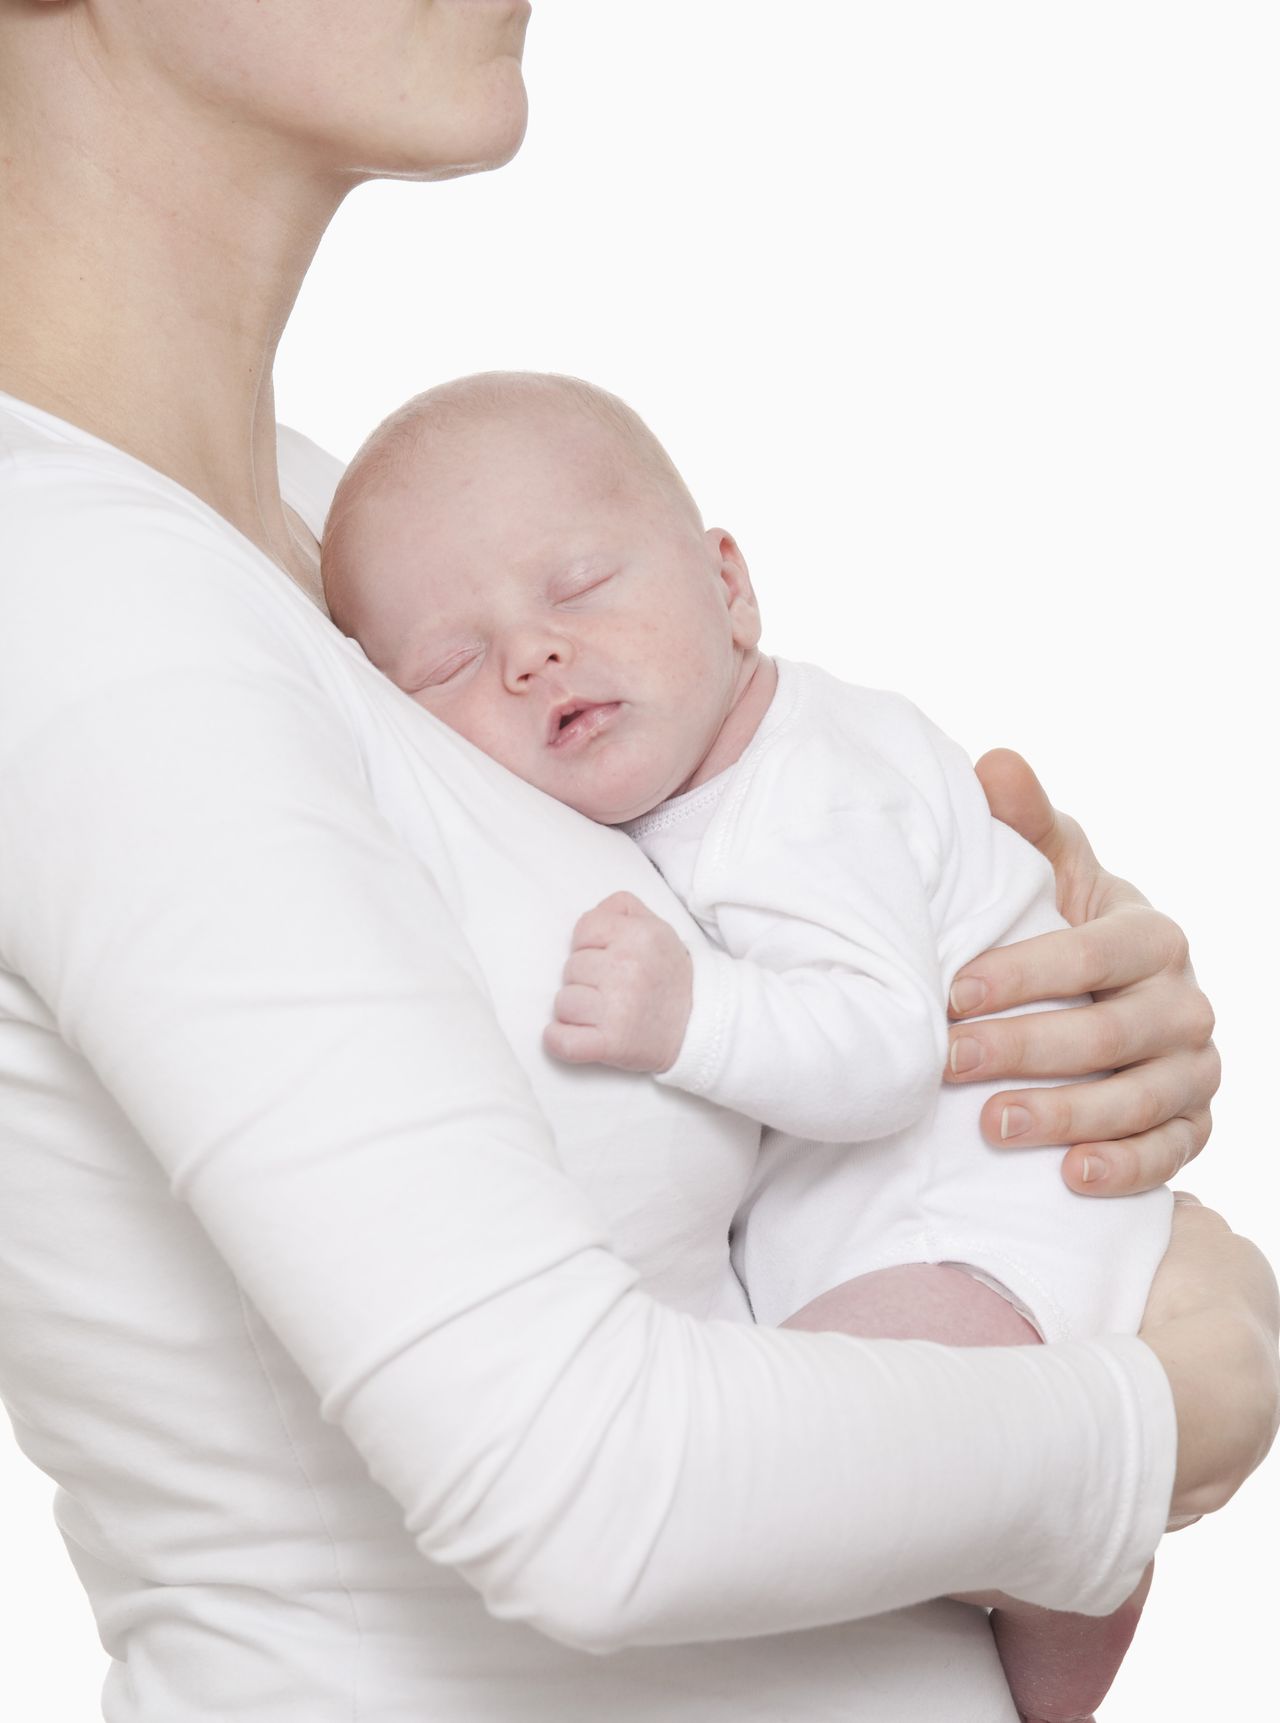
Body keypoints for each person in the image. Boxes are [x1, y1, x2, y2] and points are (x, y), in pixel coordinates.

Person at [0, 6, 1275, 1722]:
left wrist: (1015, 1016)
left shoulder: (322, 544)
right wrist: (1173, 1396)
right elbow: (583, 1493)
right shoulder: (86, 605)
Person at [318, 368, 1176, 1721]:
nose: (530, 655)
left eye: (581, 585)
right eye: (448, 664)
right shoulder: (710, 781)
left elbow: (885, 1047)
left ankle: (1077, 1585)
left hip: (985, 1254)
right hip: (946, 1254)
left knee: (770, 1458)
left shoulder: (801, 793)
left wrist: (687, 1013)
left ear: (730, 585)